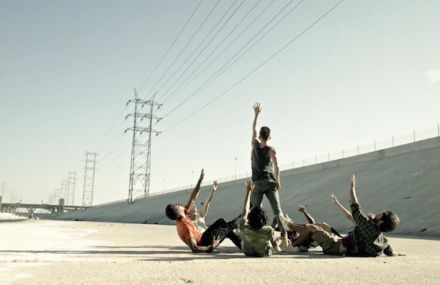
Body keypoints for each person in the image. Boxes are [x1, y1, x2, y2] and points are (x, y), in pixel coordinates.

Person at [279, 175, 403, 257]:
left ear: (381, 222)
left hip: (335, 248)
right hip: (341, 242)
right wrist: (337, 203)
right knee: (322, 225)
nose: (380, 212)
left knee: (312, 228)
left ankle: (290, 235)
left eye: (383, 214)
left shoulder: (369, 227)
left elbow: (356, 208)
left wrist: (352, 189)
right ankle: (292, 231)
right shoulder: (382, 239)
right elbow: (390, 251)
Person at [165, 169, 241, 253]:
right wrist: (210, 247)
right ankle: (240, 220)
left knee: (224, 227)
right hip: (205, 241)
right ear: (179, 211)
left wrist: (200, 181)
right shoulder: (185, 227)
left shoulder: (184, 213)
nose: (179, 204)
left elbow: (193, 197)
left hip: (204, 236)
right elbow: (194, 248)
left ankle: (243, 247)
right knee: (225, 224)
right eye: (177, 206)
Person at [250, 102, 289, 249]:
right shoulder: (271, 149)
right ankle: (284, 237)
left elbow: (253, 129)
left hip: (257, 184)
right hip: (269, 181)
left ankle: (257, 236)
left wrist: (256, 115)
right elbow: (277, 166)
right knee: (277, 210)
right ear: (269, 137)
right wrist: (278, 180)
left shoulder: (254, 144)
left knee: (255, 211)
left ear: (260, 136)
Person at [239, 180, 280, 257]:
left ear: (250, 217)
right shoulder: (268, 230)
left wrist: (248, 191)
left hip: (248, 253)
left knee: (244, 236)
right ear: (264, 219)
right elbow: (274, 244)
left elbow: (245, 210)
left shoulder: (244, 227)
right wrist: (277, 242)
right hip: (263, 253)